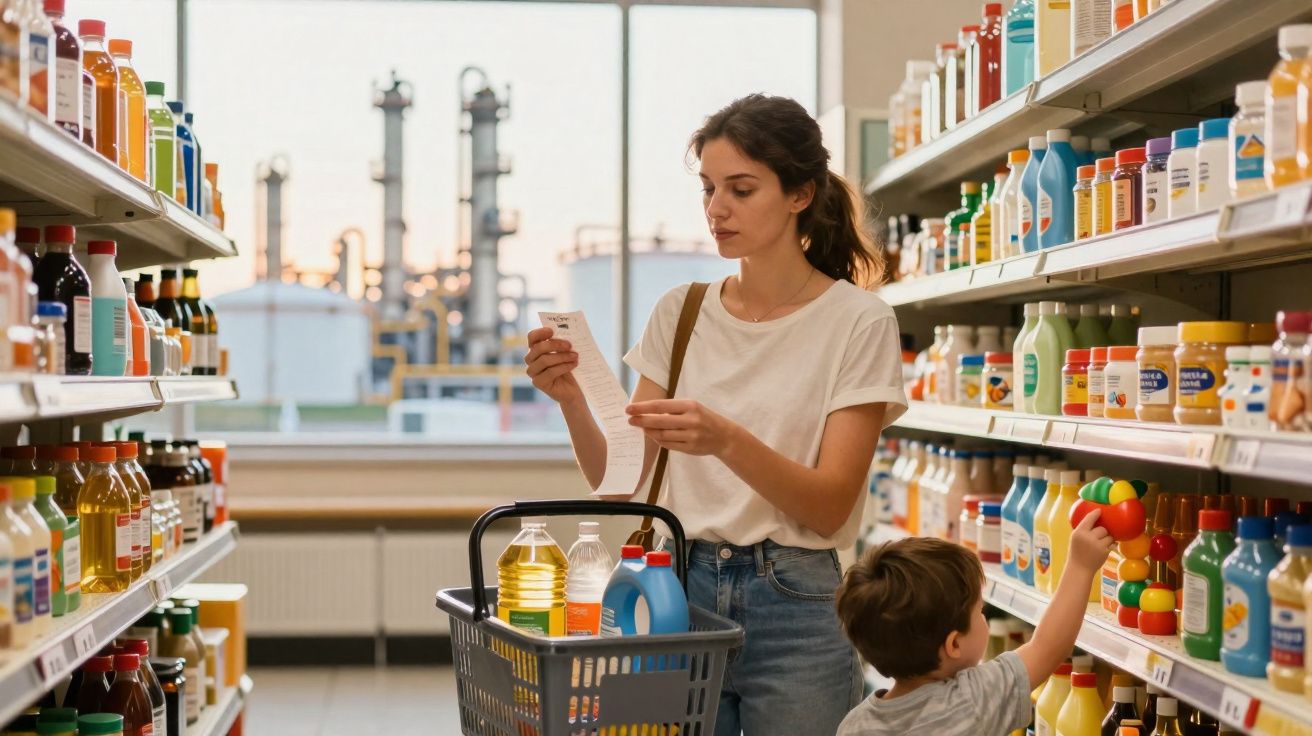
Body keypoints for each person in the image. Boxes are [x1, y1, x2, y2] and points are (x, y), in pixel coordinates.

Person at [524, 93, 907, 735]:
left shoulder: (859, 321)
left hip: (800, 607)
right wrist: (571, 401)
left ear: (800, 195)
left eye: (741, 188)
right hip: (677, 588)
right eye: (708, 188)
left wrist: (725, 439)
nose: (716, 208)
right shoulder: (682, 312)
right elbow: (622, 483)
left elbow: (830, 505)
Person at [833, 511, 1115, 735]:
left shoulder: (855, 725)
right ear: (954, 643)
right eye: (980, 611)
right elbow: (1048, 647)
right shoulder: (969, 701)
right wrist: (1081, 565)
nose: (984, 618)